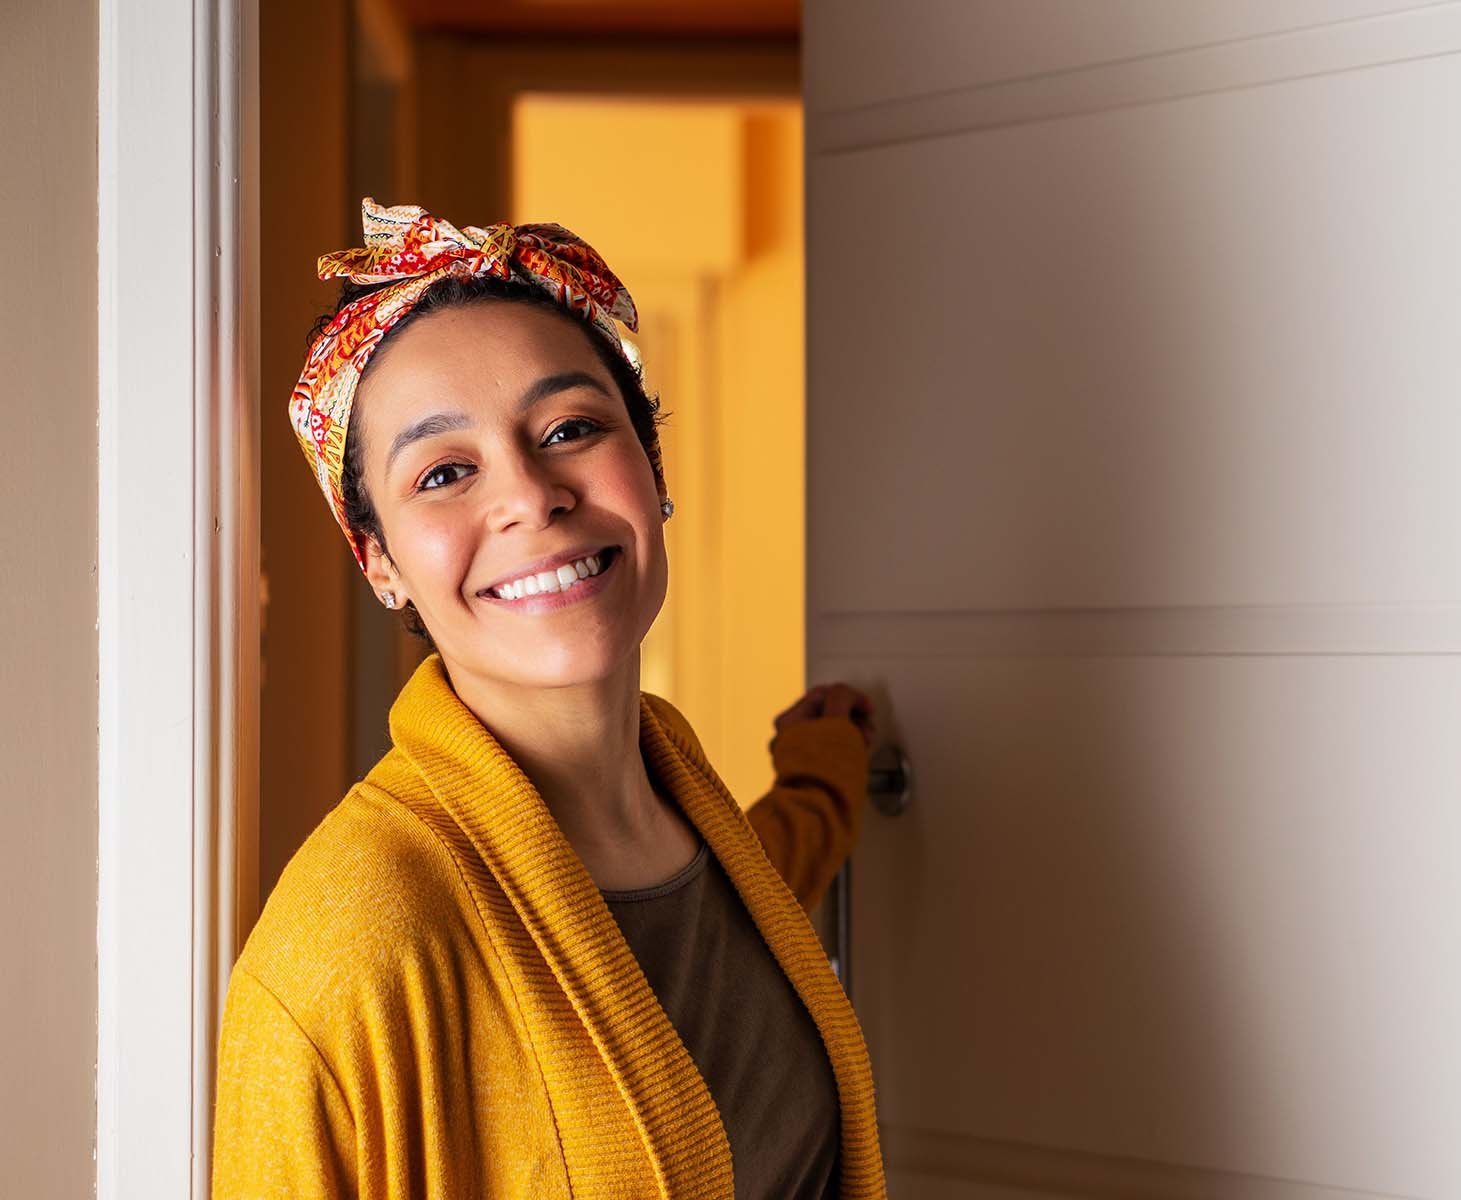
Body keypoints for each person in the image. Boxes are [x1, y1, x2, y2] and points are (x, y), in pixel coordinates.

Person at [211, 198, 887, 1198]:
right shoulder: (349, 950)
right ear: (381, 562)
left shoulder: (678, 790)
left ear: (652, 472)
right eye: (444, 472)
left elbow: (728, 918)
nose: (529, 494)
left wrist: (825, 770)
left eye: (570, 426)